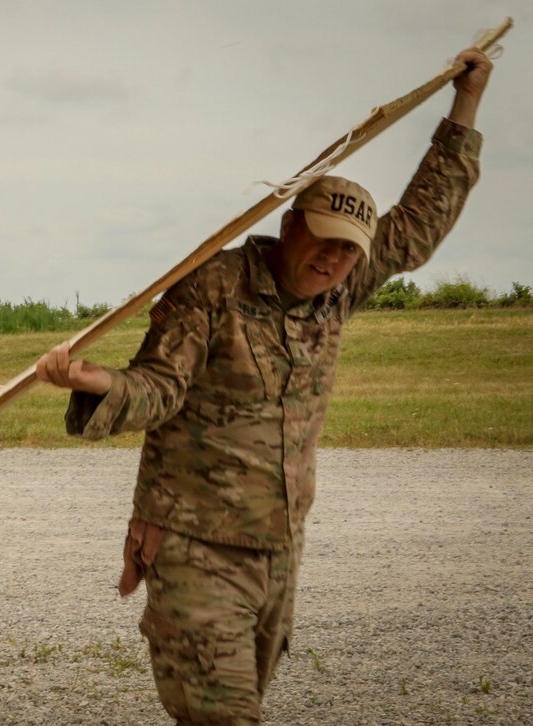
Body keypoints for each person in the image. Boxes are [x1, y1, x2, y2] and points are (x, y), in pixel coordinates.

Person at [35, 48, 493, 725]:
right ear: (289, 225)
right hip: (196, 547)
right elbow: (162, 386)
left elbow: (418, 224)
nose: (334, 260)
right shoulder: (215, 285)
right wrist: (95, 380)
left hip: (278, 551)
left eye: (349, 251)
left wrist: (468, 103)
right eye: (325, 240)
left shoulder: (339, 289)